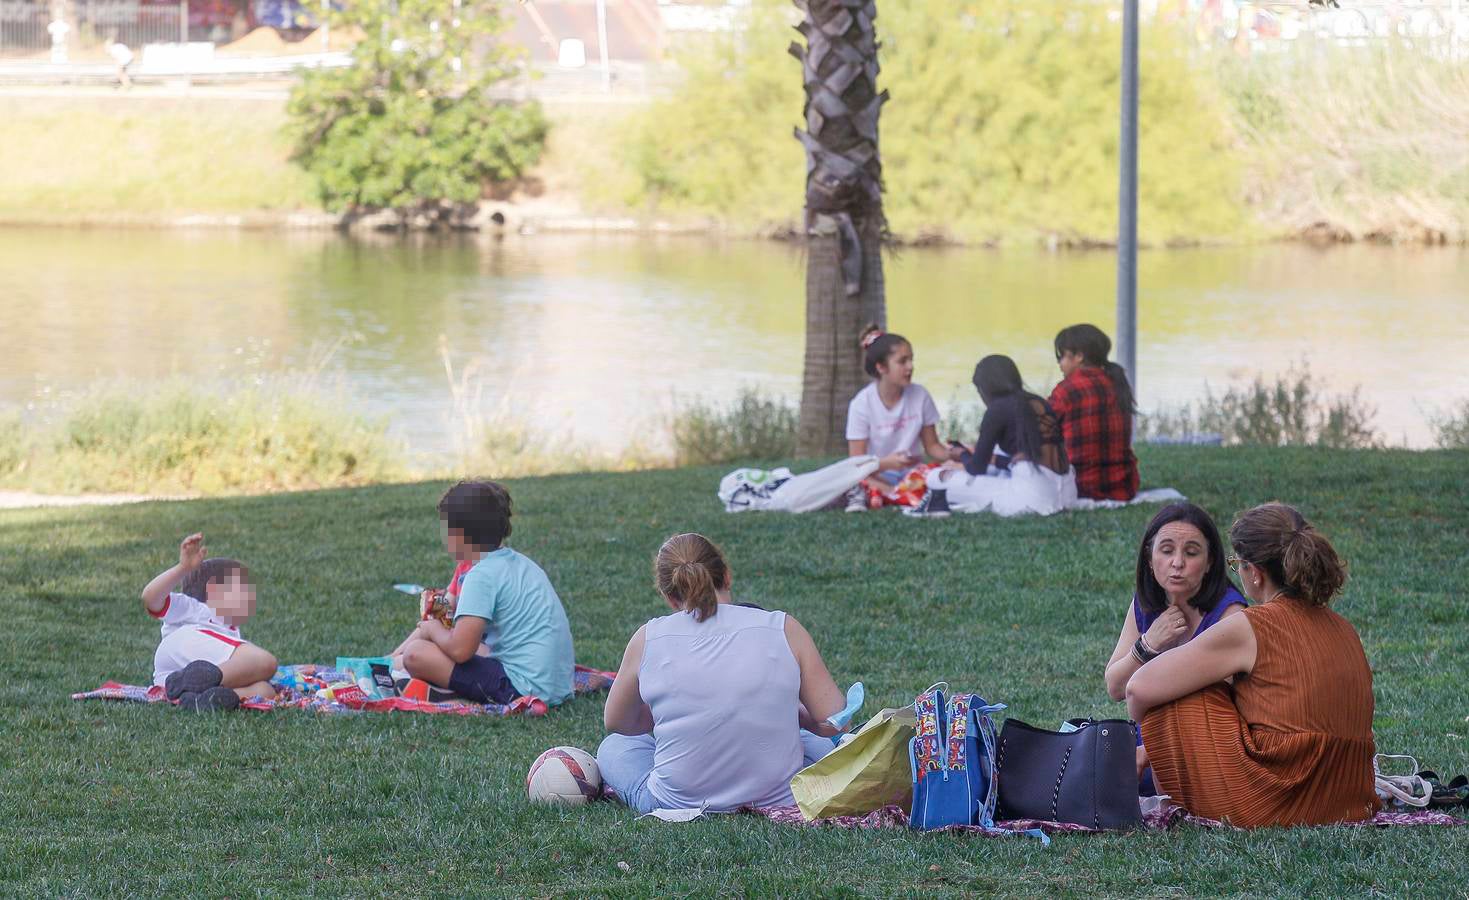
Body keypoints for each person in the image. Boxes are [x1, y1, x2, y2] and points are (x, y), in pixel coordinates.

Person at [1125, 503, 1378, 827]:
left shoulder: (1252, 625)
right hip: (1347, 798)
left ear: (1254, 572)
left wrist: (1147, 738)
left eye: (1237, 565)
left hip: (1279, 799)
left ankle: (1170, 808)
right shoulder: (1343, 627)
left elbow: (1137, 689)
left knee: (1172, 697)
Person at [598, 533, 846, 813]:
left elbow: (618, 723)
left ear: (669, 597)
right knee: (811, 740)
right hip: (781, 797)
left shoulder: (648, 638)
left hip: (677, 803)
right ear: (726, 575)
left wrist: (675, 717)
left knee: (614, 748)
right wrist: (795, 715)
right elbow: (836, 722)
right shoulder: (784, 627)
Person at [393, 480, 575, 706]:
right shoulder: (520, 563)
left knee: (416, 654)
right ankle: (400, 665)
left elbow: (461, 650)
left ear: (458, 534)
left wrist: (432, 630)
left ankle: (448, 693)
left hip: (522, 688)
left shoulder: (480, 576)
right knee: (433, 652)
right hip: (555, 684)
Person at [1104, 502, 1248, 701]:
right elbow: (1115, 688)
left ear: (1210, 562)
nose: (1178, 563)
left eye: (1191, 553)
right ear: (1149, 558)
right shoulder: (1147, 601)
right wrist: (1148, 644)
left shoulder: (1230, 614)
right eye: (1166, 550)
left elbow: (1209, 701)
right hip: (1154, 728)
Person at [912, 354, 1074, 517]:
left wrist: (962, 454)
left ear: (985, 388)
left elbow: (976, 468)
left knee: (937, 477)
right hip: (1067, 493)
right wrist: (993, 460)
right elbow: (1028, 461)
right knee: (998, 459)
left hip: (1031, 499)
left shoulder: (998, 408)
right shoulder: (1038, 402)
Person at [144, 532, 278, 711]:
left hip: (171, 677)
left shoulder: (229, 630)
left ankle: (201, 699)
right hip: (185, 644)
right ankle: (195, 681)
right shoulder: (195, 608)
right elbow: (150, 598)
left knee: (265, 690)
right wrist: (183, 568)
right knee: (266, 662)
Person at [843, 325, 955, 512]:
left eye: (911, 360)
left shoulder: (920, 395)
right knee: (856, 480)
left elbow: (933, 447)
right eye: (902, 361)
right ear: (881, 367)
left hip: (913, 475)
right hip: (876, 474)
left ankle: (894, 495)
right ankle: (891, 494)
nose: (910, 367)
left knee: (947, 471)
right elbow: (857, 463)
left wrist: (954, 454)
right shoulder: (861, 404)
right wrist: (887, 463)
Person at [1049, 324, 1139, 502]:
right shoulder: (1118, 382)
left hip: (1081, 485)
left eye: (1062, 357)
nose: (1060, 364)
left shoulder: (1066, 390)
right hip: (1124, 485)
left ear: (1079, 356)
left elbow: (1041, 428)